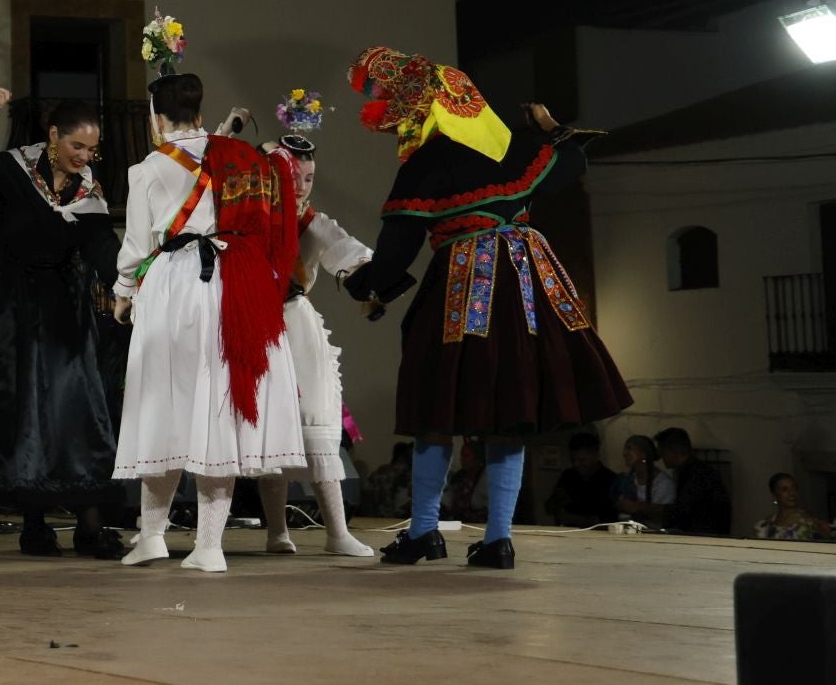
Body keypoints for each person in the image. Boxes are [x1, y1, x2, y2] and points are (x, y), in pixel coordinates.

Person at [341, 47, 631, 570]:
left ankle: (425, 531)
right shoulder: (514, 148)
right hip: (527, 281)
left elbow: (396, 249)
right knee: (510, 411)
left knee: (436, 406)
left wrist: (368, 287)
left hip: (463, 283)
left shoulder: (428, 163)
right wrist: (551, 128)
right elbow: (572, 160)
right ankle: (499, 539)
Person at [109, 72, 304, 574]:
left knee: (165, 405)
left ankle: (153, 535)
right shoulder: (237, 155)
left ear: (156, 116)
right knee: (219, 407)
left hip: (176, 287)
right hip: (238, 284)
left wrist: (123, 290)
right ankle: (208, 543)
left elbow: (136, 245)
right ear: (198, 112)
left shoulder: (149, 167)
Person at [0, 87, 126, 559]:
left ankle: (89, 523)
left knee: (75, 413)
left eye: (91, 149)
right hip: (5, 314)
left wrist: (131, 283)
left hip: (63, 314)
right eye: (76, 146)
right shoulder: (6, 171)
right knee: (20, 421)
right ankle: (35, 525)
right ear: (54, 135)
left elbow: (102, 250)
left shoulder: (89, 195)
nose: (84, 157)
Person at [251, 134, 375, 558]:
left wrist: (371, 282)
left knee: (317, 420)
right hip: (254, 324)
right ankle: (276, 531)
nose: (302, 185)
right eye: (293, 176)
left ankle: (337, 531)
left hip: (295, 321)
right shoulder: (250, 216)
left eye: (308, 177)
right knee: (269, 427)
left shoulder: (311, 221)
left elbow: (346, 249)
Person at [651, 427, 732, 535]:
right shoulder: (698, 471)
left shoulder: (696, 474)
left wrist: (645, 508)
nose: (662, 458)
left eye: (663, 453)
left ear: (674, 451)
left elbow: (682, 510)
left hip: (705, 535)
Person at [544, 431, 617, 528]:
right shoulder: (568, 476)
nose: (576, 464)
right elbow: (549, 508)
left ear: (596, 456)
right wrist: (557, 500)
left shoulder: (610, 479)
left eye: (582, 460)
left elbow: (609, 519)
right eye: (573, 460)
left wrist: (574, 518)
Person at [612, 434, 675, 522]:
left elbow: (666, 515)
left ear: (644, 454)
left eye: (629, 448)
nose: (624, 453)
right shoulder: (628, 479)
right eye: (625, 449)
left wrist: (638, 507)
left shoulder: (663, 484)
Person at [754, 473, 833, 542]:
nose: (791, 493)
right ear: (774, 494)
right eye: (784, 489)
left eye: (794, 488)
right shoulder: (764, 526)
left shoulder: (808, 522)